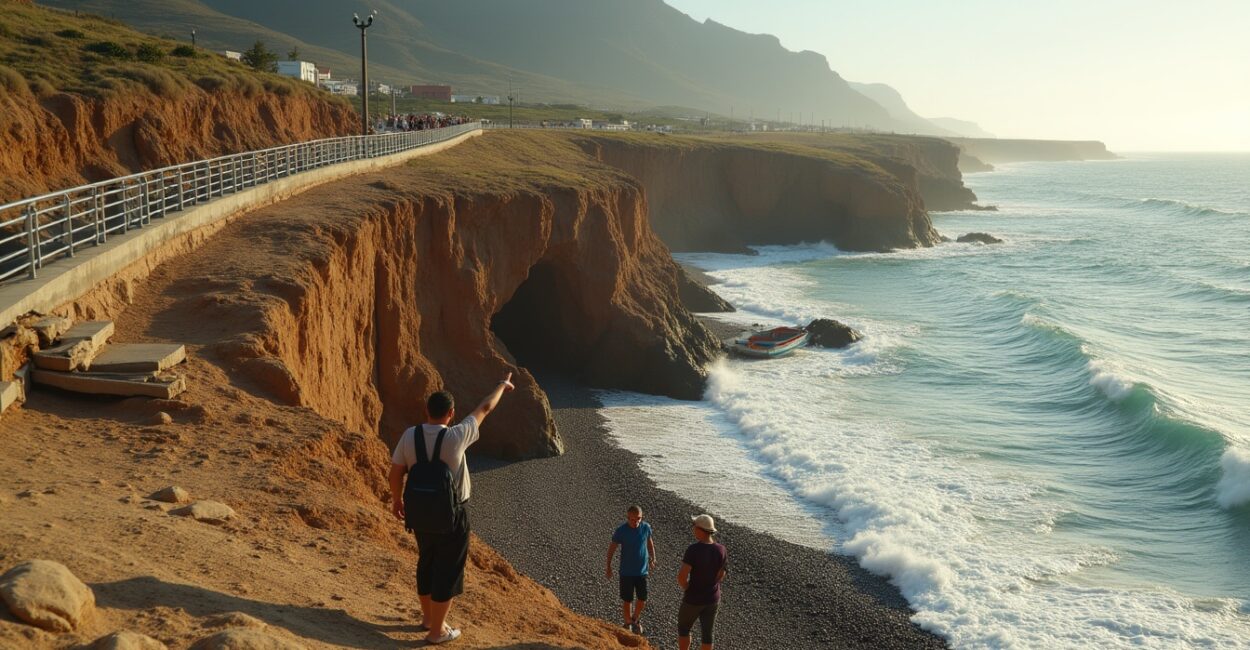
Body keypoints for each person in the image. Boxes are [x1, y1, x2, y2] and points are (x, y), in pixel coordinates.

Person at [388, 373, 515, 645]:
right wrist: (501, 386)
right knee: (447, 569)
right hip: (452, 515)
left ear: (427, 411)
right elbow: (485, 408)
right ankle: (437, 632)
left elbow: (395, 472)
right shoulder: (457, 435)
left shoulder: (410, 435)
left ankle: (428, 619)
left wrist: (397, 500)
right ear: (451, 413)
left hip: (419, 512)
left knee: (427, 562)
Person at [677, 514, 727, 650]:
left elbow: (681, 577)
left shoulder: (693, 550)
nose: (693, 529)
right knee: (707, 634)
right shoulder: (721, 549)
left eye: (694, 526)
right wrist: (712, 584)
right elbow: (722, 574)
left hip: (694, 598)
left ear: (700, 529)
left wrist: (687, 588)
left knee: (684, 628)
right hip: (713, 598)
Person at [605, 505, 656, 633]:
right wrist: (608, 566)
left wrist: (653, 557)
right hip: (626, 572)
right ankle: (628, 622)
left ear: (641, 517)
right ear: (627, 517)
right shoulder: (621, 531)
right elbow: (612, 548)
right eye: (632, 519)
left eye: (638, 518)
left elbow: (650, 542)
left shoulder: (646, 527)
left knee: (642, 598)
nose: (636, 522)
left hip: (642, 571)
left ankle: (635, 619)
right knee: (627, 599)